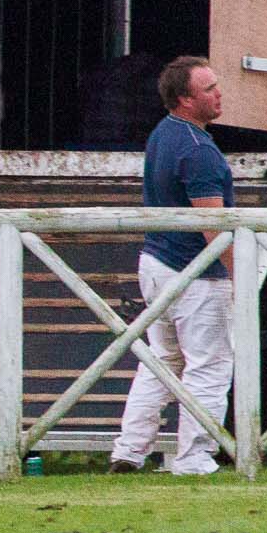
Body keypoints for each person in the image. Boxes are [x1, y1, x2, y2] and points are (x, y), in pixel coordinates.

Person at [108, 57, 236, 476]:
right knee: (210, 366)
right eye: (209, 88)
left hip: (156, 262)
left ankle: (128, 451)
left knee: (161, 362)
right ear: (185, 99)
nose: (219, 94)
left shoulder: (163, 134)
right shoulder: (199, 151)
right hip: (194, 272)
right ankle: (194, 456)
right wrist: (239, 276)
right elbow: (213, 226)